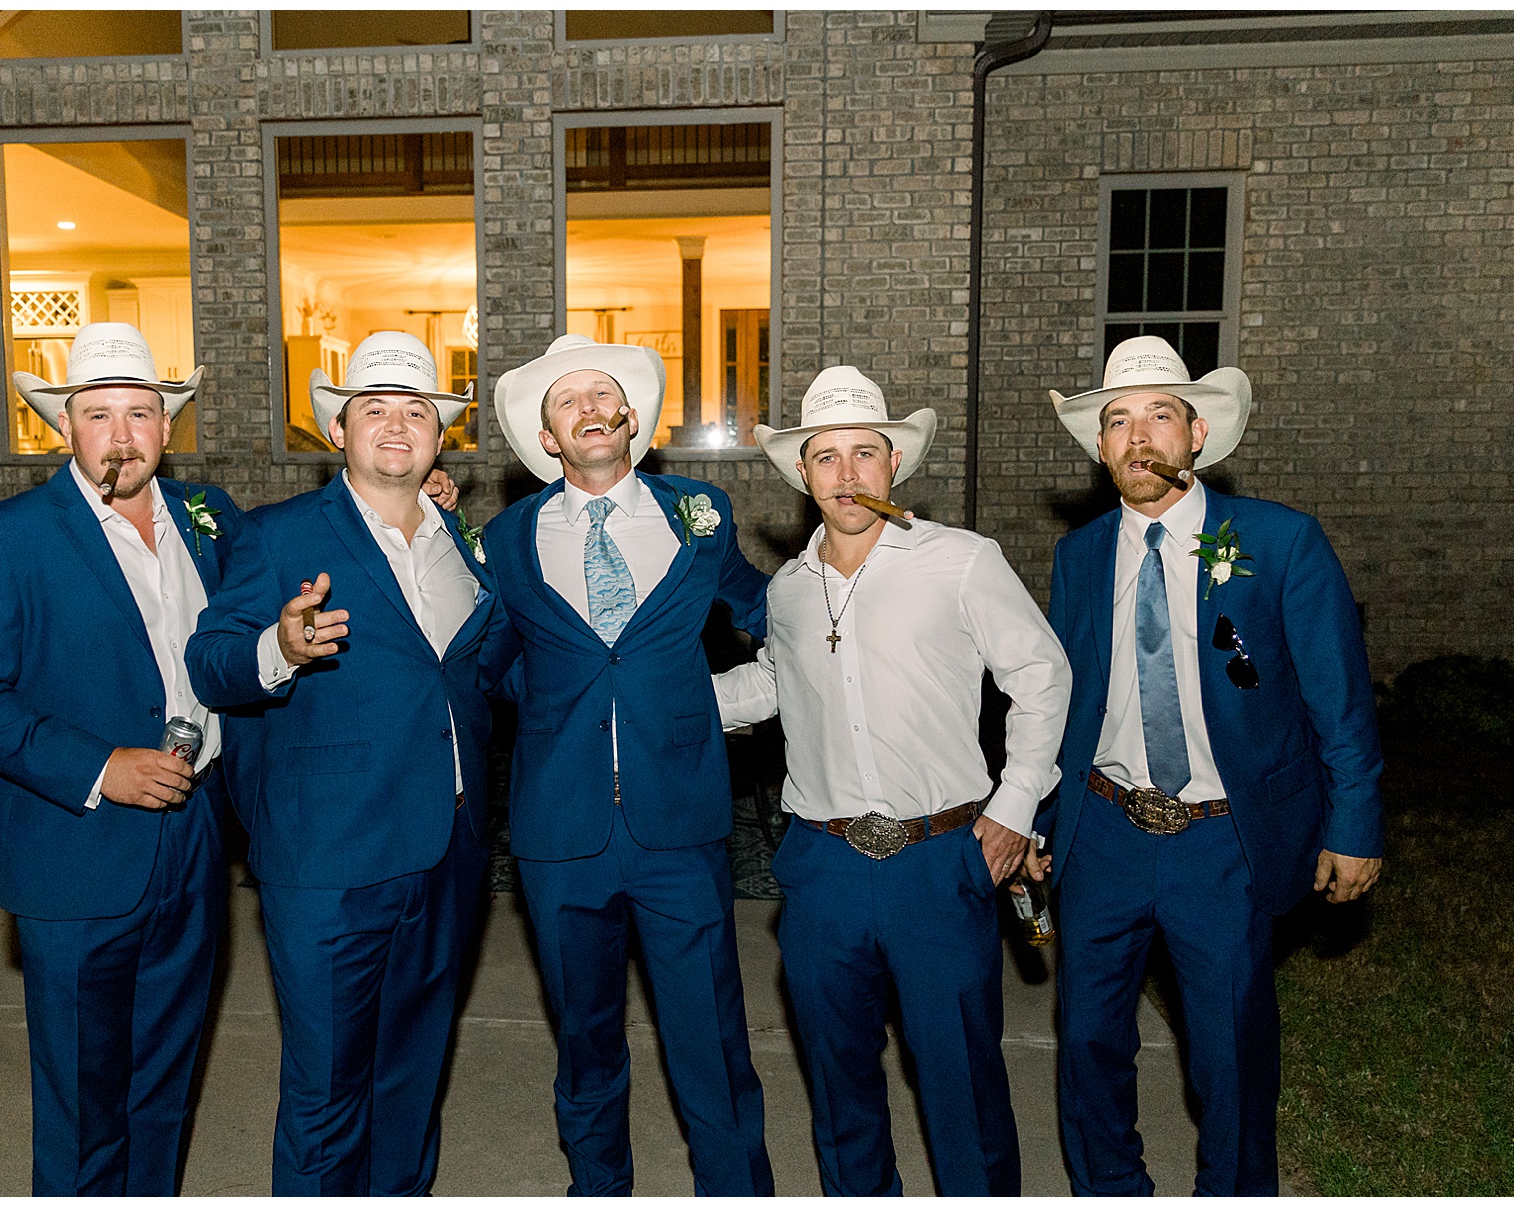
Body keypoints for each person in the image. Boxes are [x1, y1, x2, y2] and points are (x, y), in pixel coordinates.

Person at [712, 365, 1071, 1195]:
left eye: (864, 452)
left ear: (895, 462)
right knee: (839, 1085)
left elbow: (1042, 675)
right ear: (803, 473)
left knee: (961, 1084)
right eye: (825, 456)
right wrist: (660, 703)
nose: (846, 474)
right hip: (824, 866)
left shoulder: (961, 561)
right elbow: (776, 681)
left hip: (938, 862)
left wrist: (1015, 805)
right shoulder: (789, 588)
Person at [1039, 336, 1383, 1195]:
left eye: (1160, 414)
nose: (1138, 436)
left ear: (1197, 434)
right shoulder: (1080, 556)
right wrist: (1043, 819)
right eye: (1118, 420)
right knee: (1086, 1041)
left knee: (1230, 1052)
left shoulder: (1277, 541)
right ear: (1101, 446)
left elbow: (1338, 698)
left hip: (1221, 838)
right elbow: (1067, 704)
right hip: (1105, 830)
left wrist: (1354, 822)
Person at [184, 331, 514, 1196]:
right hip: (330, 863)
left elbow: (473, 671)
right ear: (338, 430)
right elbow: (209, 661)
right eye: (375, 410)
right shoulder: (279, 534)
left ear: (440, 437)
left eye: (416, 412)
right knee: (327, 1094)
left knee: (412, 1078)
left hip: (447, 852)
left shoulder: (460, 540)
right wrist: (280, 647)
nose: (396, 426)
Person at [0, 322, 242, 1195]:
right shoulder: (9, 537)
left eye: (140, 412)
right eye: (99, 414)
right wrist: (101, 766)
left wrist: (423, 499)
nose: (122, 435)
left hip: (195, 832)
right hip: (76, 845)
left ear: (167, 425)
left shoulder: (209, 518)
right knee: (82, 1100)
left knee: (165, 1084)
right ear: (64, 426)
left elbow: (299, 558)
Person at [482, 334, 775, 1196]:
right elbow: (492, 659)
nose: (589, 409)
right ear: (548, 438)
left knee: (711, 1038)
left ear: (632, 417)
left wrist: (716, 703)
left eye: (602, 393)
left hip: (680, 823)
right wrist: (566, 708)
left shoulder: (700, 513)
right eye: (566, 402)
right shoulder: (508, 535)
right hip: (559, 833)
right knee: (586, 1041)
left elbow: (773, 612)